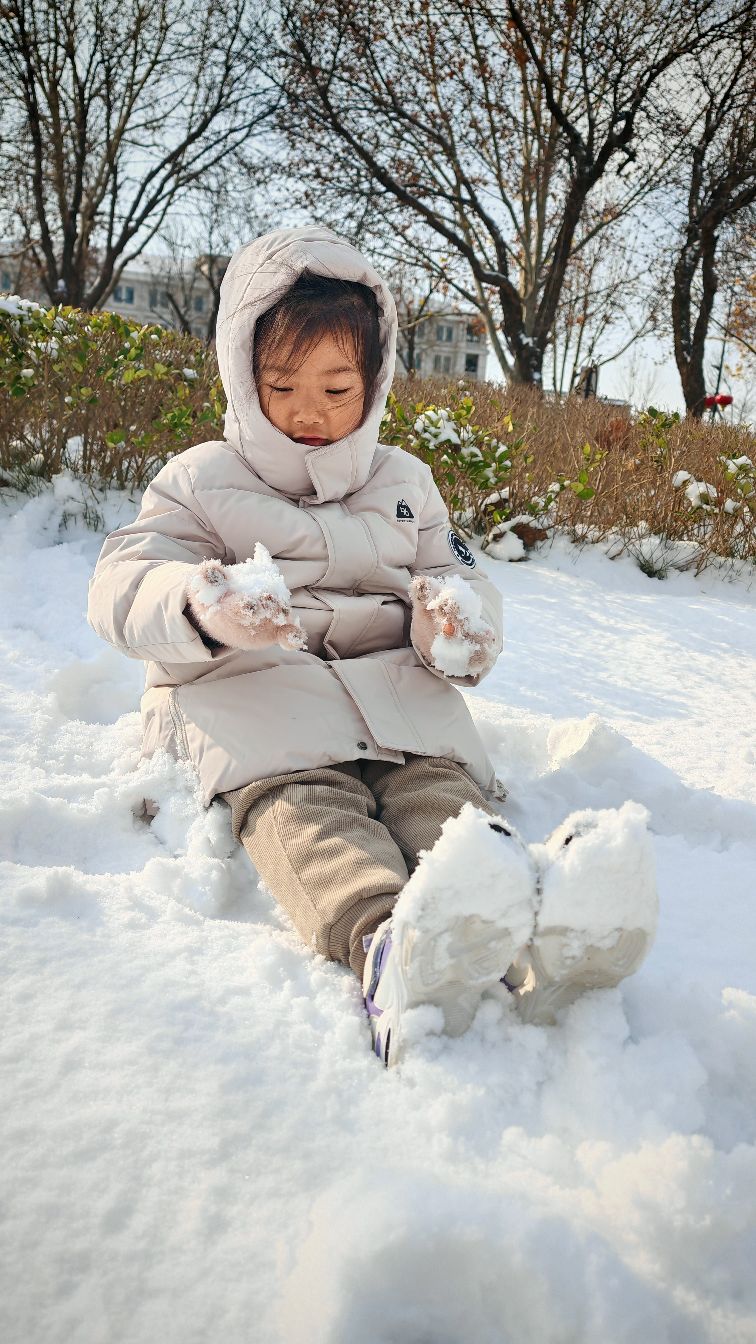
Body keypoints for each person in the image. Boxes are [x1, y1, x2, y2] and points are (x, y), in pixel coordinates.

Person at [88, 225, 657, 1067]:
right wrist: (200, 605)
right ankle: (391, 946)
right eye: (282, 385)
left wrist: (455, 624)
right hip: (260, 707)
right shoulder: (200, 479)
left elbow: (458, 578)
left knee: (446, 805)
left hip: (399, 708)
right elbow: (123, 579)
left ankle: (528, 932)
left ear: (375, 380)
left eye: (336, 387)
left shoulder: (405, 483)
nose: (309, 410)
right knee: (308, 818)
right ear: (243, 377)